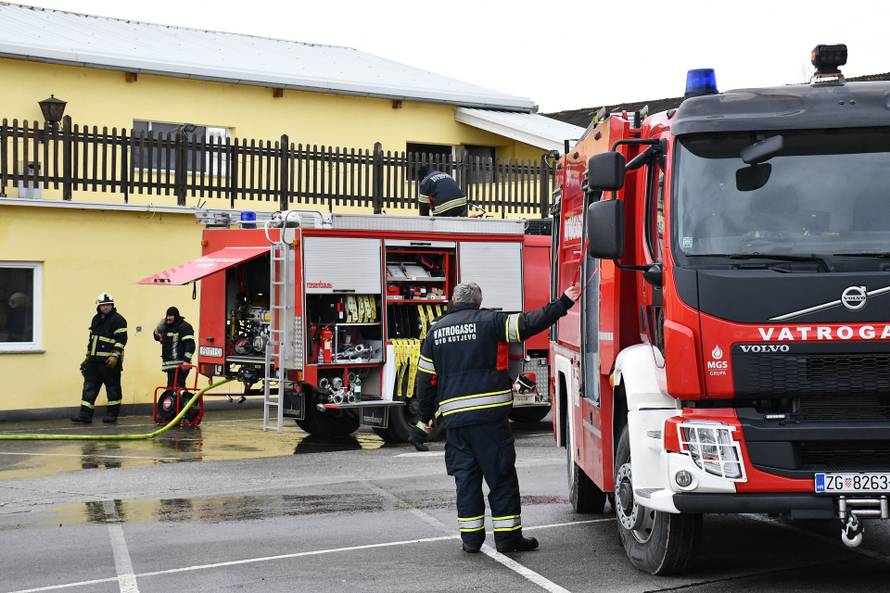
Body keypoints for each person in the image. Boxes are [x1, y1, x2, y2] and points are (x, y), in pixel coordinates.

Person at [414, 281, 579, 553]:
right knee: (501, 478)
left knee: (465, 481)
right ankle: (507, 539)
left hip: (455, 423)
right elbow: (529, 323)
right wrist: (562, 303)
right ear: (479, 301)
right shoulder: (491, 321)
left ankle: (471, 539)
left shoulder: (435, 333)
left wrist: (423, 420)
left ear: (454, 301)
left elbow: (425, 381)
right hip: (490, 420)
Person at [72, 292, 127, 424]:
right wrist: (87, 357)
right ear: (99, 306)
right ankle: (85, 415)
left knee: (112, 388)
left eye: (108, 305)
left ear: (112, 305)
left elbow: (121, 339)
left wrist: (115, 355)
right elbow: (92, 340)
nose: (105, 307)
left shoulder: (118, 319)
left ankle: (112, 415)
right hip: (94, 362)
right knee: (89, 387)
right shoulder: (95, 319)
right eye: (103, 305)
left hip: (109, 362)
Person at [153, 306, 196, 389]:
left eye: (171, 316)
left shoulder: (184, 327)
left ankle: (183, 401)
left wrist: (186, 361)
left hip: (180, 365)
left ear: (176, 316)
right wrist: (158, 327)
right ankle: (183, 401)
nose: (168, 318)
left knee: (176, 388)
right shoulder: (165, 326)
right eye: (167, 316)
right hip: (170, 366)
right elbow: (157, 337)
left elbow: (190, 345)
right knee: (174, 389)